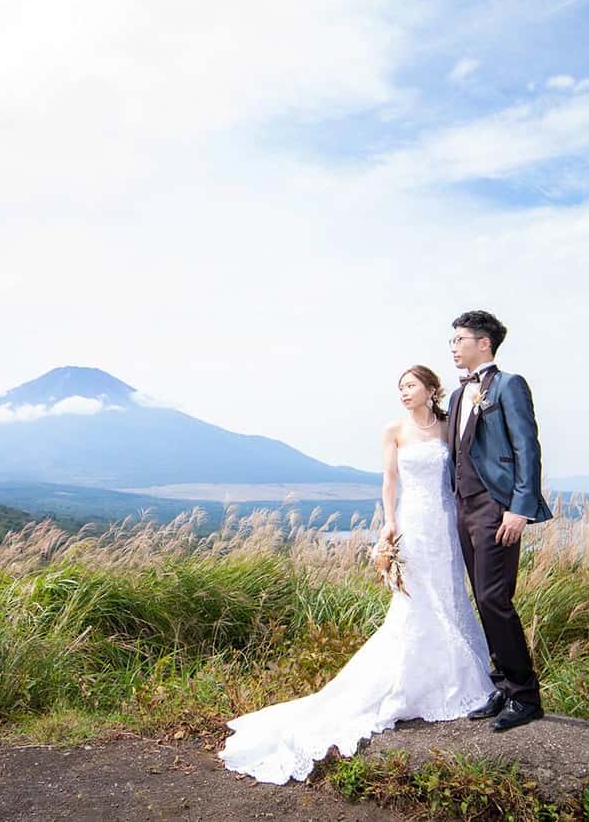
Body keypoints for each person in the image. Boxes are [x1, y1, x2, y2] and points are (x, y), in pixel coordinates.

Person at [217, 365, 493, 785]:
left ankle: (455, 681)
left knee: (450, 595)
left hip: (445, 520)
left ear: (430, 389)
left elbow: (459, 473)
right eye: (399, 387)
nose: (403, 392)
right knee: (416, 600)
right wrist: (388, 523)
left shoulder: (446, 426)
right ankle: (409, 684)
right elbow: (389, 479)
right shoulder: (393, 430)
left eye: (411, 385)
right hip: (413, 521)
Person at [448, 310, 551, 732]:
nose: (453, 347)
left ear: (483, 343)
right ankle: (504, 685)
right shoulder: (457, 397)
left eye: (459, 340)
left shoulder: (509, 386)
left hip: (496, 507)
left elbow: (527, 448)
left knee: (495, 597)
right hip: (463, 508)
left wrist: (519, 508)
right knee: (482, 598)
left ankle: (525, 695)